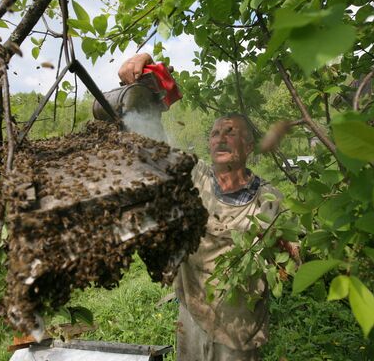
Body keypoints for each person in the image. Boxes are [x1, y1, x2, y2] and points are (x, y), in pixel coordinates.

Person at [119, 54, 299, 360]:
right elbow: (147, 144)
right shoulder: (192, 175)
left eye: (232, 132)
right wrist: (143, 78)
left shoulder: (270, 200)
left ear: (249, 145)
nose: (221, 139)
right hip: (191, 320)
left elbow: (293, 262)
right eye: (215, 133)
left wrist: (288, 258)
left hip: (239, 334)